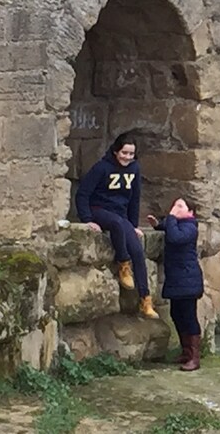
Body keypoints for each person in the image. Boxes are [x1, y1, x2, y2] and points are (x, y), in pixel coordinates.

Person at [74, 132, 159, 320]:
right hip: (99, 209)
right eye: (124, 153)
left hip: (120, 214)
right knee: (116, 223)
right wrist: (87, 218)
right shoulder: (102, 168)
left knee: (137, 249)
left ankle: (145, 300)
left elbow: (134, 198)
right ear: (115, 151)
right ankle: (123, 265)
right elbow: (82, 194)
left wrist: (134, 224)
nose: (127, 158)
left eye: (131, 154)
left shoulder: (134, 169)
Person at [147, 197, 204, 371]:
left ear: (190, 212)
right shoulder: (178, 224)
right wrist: (158, 224)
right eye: (174, 205)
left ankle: (195, 357)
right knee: (176, 314)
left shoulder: (190, 227)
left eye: (180, 206)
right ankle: (185, 351)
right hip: (178, 280)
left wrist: (170, 218)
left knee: (188, 317)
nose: (175, 209)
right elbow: (168, 228)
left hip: (188, 281)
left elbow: (175, 238)